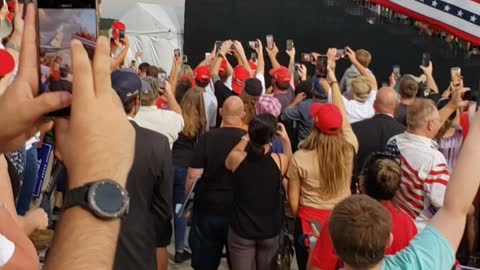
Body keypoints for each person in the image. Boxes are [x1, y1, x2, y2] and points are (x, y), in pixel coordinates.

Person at [324, 107, 480, 270]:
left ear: (334, 247)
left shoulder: (395, 141)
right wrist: (476, 130)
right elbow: (454, 209)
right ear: (388, 241)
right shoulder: (418, 263)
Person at [287, 51, 358, 270]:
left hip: (309, 225)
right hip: (341, 222)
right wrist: (334, 81)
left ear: (315, 126)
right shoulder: (349, 147)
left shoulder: (300, 157)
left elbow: (293, 202)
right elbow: (343, 116)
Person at [109, 70, 173, 270]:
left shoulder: (87, 138)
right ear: (137, 102)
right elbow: (163, 206)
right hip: (138, 242)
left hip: (93, 242)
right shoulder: (157, 143)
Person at [309, 153, 417, 270]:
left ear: (361, 182)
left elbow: (317, 266)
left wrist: (317, 244)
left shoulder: (344, 218)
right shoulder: (408, 224)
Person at [385, 94, 465, 231]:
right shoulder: (434, 159)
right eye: (438, 121)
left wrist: (451, 105)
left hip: (394, 222)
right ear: (430, 125)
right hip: (419, 231)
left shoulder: (393, 142)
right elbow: (442, 202)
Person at [186, 96, 247, 270]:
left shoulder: (207, 138)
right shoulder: (248, 141)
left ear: (221, 112)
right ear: (243, 114)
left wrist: (187, 203)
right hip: (238, 211)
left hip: (207, 208)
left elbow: (193, 175)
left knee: (204, 263)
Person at [225, 114, 292, 270]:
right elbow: (290, 162)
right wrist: (286, 140)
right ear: (272, 137)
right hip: (270, 229)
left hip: (242, 229)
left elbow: (230, 158)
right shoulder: (279, 161)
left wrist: (246, 138)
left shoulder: (237, 159)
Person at [171, 87, 207, 263]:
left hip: (169, 164)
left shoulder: (175, 116)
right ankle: (179, 249)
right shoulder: (201, 122)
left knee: (163, 207)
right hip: (186, 168)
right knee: (180, 209)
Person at [352, 87, 405, 176]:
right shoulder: (404, 133)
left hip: (360, 184)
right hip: (393, 186)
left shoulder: (355, 129)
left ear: (373, 104)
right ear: (397, 106)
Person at [133, 77, 184, 148]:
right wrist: (169, 92)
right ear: (157, 96)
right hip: (163, 158)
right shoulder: (169, 118)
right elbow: (179, 117)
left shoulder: (129, 119)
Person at [282, 76, 328, 143]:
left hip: (305, 145)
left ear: (312, 90)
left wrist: (295, 101)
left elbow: (284, 116)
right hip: (324, 145)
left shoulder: (304, 105)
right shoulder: (333, 104)